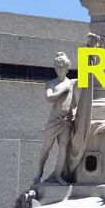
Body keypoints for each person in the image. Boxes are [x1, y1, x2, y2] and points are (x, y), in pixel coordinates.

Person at [37, 52, 77, 183]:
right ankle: (39, 173)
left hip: (66, 121)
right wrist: (63, 91)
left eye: (62, 66)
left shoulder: (72, 83)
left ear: (67, 68)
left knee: (63, 148)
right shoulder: (52, 83)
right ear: (55, 68)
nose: (60, 69)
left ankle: (59, 175)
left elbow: (89, 78)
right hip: (54, 121)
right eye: (58, 66)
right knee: (46, 147)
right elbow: (49, 97)